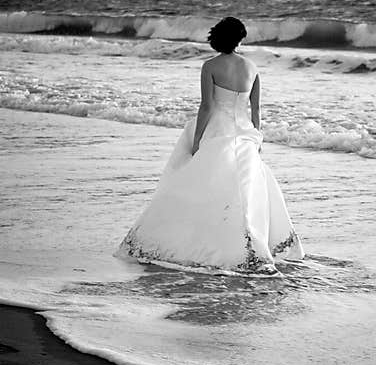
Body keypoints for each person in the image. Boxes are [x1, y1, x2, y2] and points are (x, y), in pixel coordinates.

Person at [115, 17, 304, 275]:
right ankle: (249, 245)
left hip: (219, 130)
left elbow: (207, 106)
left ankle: (200, 243)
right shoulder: (252, 67)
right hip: (245, 134)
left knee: (203, 187)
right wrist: (257, 138)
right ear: (240, 38)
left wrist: (196, 140)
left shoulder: (210, 66)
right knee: (246, 193)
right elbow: (256, 109)